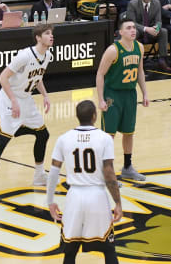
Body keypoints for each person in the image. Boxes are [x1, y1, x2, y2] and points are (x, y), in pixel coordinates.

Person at [0, 24, 54, 201]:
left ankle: (38, 175)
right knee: (2, 142)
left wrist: (45, 95)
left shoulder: (48, 55)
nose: (51, 36)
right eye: (47, 33)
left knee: (43, 134)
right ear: (38, 37)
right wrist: (13, 100)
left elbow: (37, 78)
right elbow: (2, 77)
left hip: (26, 99)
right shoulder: (25, 55)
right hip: (9, 98)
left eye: (52, 33)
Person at [45, 100, 122, 264]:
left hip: (75, 197)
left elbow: (53, 171)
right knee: (109, 249)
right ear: (94, 116)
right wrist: (118, 202)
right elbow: (109, 172)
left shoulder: (64, 138)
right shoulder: (105, 138)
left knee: (70, 251)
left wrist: (50, 201)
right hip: (97, 196)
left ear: (77, 117)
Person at [95, 18, 150, 182]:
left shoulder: (139, 47)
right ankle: (106, 172)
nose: (133, 30)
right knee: (109, 135)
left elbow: (140, 72)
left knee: (129, 132)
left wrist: (145, 93)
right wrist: (100, 99)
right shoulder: (113, 50)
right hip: (113, 95)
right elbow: (100, 74)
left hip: (130, 94)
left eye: (134, 27)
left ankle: (127, 167)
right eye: (129, 28)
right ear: (121, 32)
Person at [126, 0, 171, 71]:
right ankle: (134, 64)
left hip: (151, 30)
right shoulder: (132, 4)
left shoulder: (156, 3)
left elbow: (159, 21)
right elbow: (131, 23)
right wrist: (147, 29)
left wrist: (157, 28)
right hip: (139, 30)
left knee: (163, 31)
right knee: (133, 33)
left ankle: (162, 60)